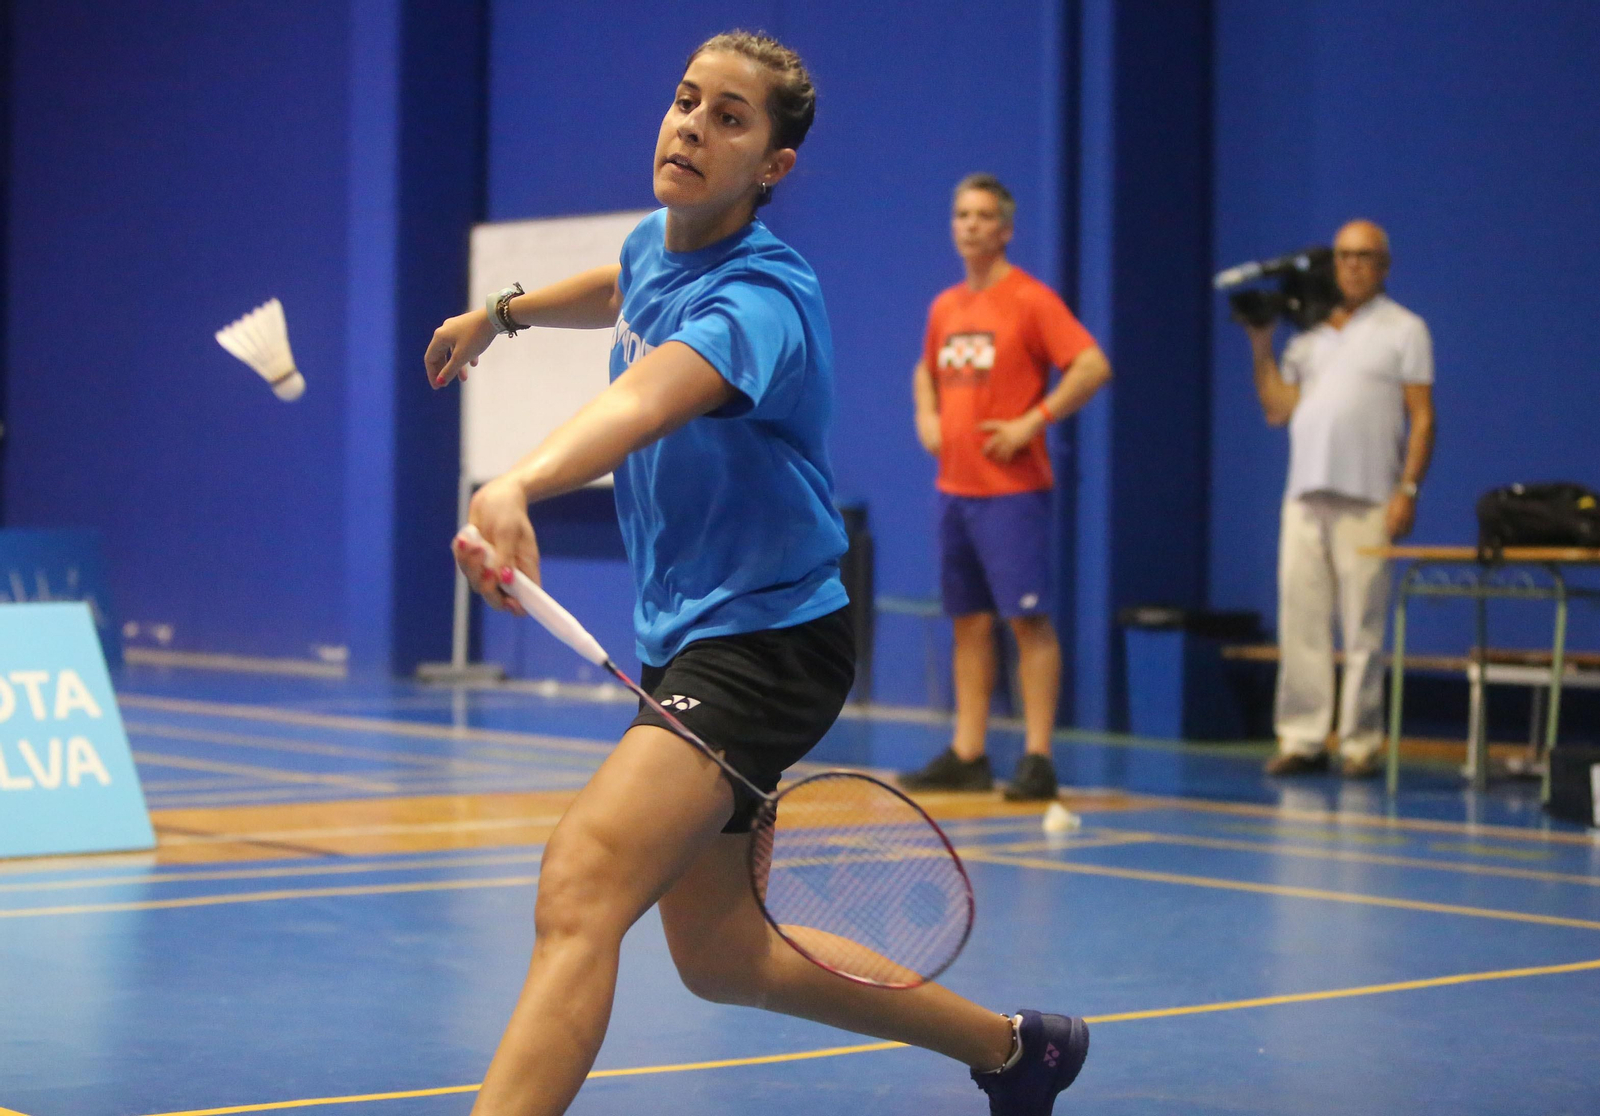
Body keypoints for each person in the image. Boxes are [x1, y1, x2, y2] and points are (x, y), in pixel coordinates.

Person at [423, 33, 1088, 1116]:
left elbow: (650, 394)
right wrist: (500, 315)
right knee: (724, 953)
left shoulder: (763, 301)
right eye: (686, 100)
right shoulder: (660, 242)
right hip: (693, 635)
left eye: (729, 118)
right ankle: (1021, 1053)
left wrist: (520, 482)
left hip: (766, 644)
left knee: (583, 881)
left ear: (773, 165)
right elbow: (625, 284)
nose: (692, 126)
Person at [901, 175, 1111, 801]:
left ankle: (1038, 756)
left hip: (1012, 492)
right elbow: (926, 369)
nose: (969, 225)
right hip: (955, 489)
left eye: (983, 216)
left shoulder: (1031, 300)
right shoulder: (945, 307)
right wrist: (927, 415)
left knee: (1027, 622)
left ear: (1006, 230)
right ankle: (969, 753)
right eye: (961, 214)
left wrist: (1032, 421)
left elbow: (1092, 365)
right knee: (968, 622)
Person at [1240, 219, 1435, 779]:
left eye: (1364, 256)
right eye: (1344, 255)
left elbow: (1422, 417)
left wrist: (1408, 490)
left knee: (1363, 626)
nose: (1352, 265)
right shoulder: (1308, 336)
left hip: (1369, 496)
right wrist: (1261, 345)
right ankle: (1303, 737)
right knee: (1301, 621)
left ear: (1384, 265)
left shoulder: (1405, 330)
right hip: (1305, 496)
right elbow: (1277, 409)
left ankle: (1359, 742)